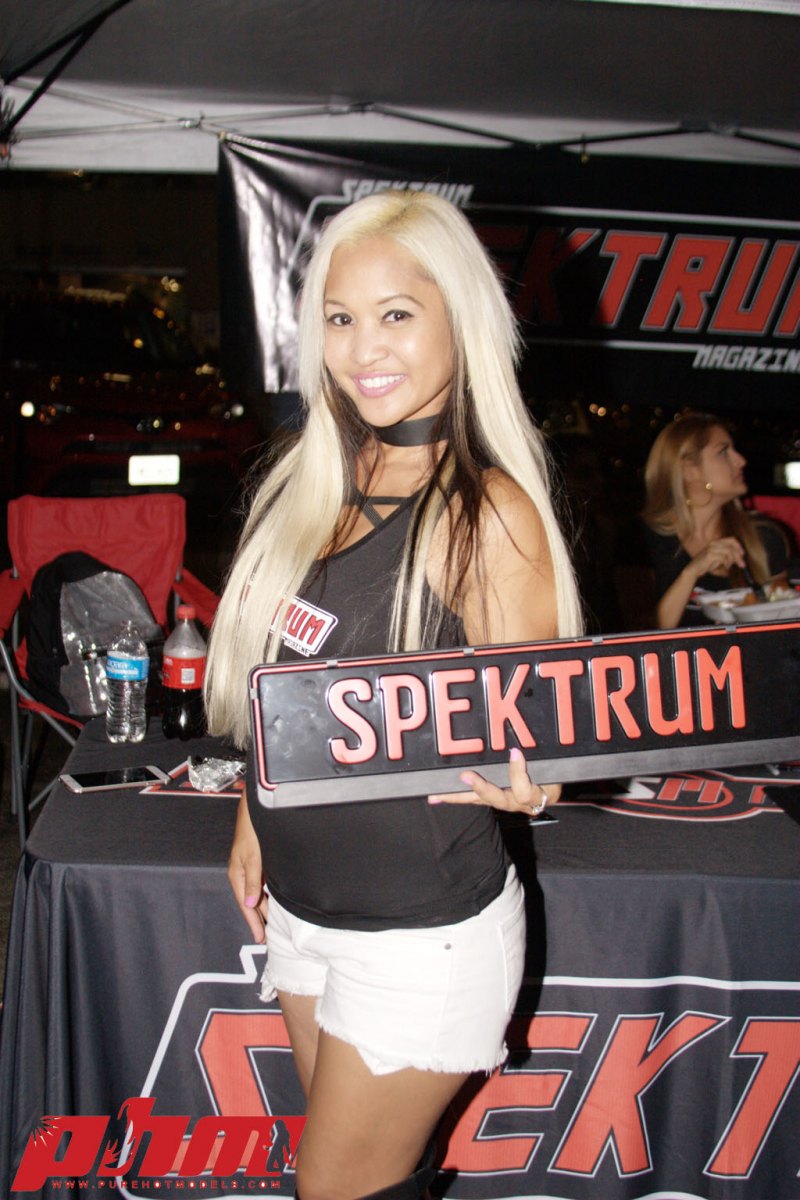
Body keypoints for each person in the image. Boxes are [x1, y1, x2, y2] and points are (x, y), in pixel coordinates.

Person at [204, 189, 582, 1200]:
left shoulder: (484, 513)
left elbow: (548, 731)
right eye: (339, 317)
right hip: (304, 914)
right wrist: (252, 808)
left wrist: (536, 778)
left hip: (421, 935)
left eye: (396, 314)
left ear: (461, 319)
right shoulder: (314, 484)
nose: (362, 346)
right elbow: (286, 686)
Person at [640, 411, 789, 628]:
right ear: (689, 470)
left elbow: (785, 621)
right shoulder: (643, 539)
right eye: (723, 452)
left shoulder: (762, 535)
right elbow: (639, 634)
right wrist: (691, 573)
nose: (741, 461)